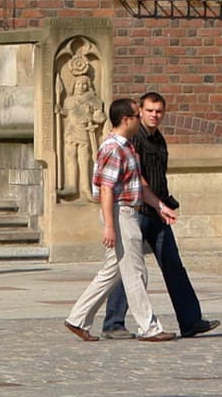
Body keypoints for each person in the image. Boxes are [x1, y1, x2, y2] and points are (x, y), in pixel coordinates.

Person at [61, 98, 161, 341]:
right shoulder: (113, 148)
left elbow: (136, 184)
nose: (141, 119)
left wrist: (160, 206)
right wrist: (109, 225)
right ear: (126, 119)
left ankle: (78, 318)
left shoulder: (126, 146)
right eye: (138, 115)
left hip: (127, 210)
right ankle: (149, 327)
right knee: (135, 271)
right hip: (120, 212)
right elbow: (106, 189)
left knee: (113, 270)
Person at [126, 93, 209, 338]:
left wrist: (163, 204)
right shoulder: (134, 139)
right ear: (140, 110)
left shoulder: (159, 139)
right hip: (139, 210)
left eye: (159, 111)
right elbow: (137, 178)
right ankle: (113, 323)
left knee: (174, 266)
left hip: (158, 212)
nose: (154, 115)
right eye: (150, 110)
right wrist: (158, 203)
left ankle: (190, 320)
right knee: (130, 269)